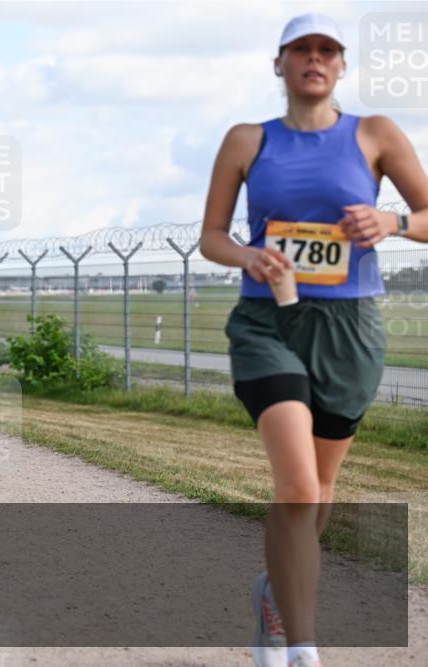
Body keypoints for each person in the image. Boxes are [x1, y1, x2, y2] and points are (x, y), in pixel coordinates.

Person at [199, 13, 428, 667]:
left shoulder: (376, 133)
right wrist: (248, 258)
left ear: (342, 66)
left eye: (328, 50)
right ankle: (296, 644)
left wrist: (392, 219)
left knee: (319, 491)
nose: (314, 59)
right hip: (268, 321)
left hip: (350, 328)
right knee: (297, 486)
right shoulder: (247, 139)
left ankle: (276, 591)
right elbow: (212, 236)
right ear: (279, 63)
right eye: (301, 49)